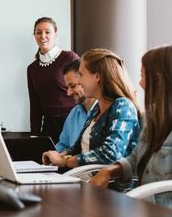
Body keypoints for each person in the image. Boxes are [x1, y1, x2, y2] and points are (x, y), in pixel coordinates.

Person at [90, 45, 172, 207]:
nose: (140, 84)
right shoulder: (154, 121)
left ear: (158, 79)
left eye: (142, 76)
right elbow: (134, 159)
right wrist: (109, 171)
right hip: (144, 210)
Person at [42, 48, 141, 168]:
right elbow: (77, 148)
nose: (80, 81)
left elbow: (110, 154)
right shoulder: (96, 110)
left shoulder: (123, 106)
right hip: (84, 179)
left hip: (107, 185)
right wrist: (58, 156)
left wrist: (65, 161)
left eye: (82, 75)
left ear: (97, 77)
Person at [27, 17, 79, 143]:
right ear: (34, 35)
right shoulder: (32, 68)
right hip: (48, 126)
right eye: (38, 32)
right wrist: (34, 135)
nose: (42, 36)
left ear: (55, 34)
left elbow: (83, 89)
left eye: (47, 32)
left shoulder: (69, 57)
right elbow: (35, 105)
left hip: (71, 121)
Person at [56, 60, 97, 152]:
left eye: (73, 86)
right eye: (68, 87)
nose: (68, 93)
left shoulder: (106, 110)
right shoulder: (74, 113)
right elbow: (63, 146)